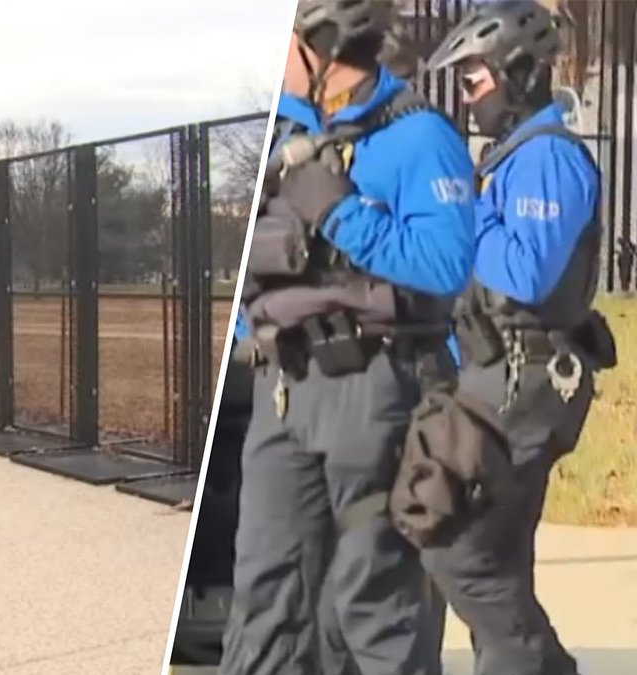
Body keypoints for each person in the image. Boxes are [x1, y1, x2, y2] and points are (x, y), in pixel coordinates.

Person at [223, 0, 476, 672]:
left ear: (323, 47)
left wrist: (337, 211)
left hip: (373, 390)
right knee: (265, 593)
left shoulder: (419, 137)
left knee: (372, 604)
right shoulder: (284, 137)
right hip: (284, 389)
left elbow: (446, 263)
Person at [425, 2, 614, 673]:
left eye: (474, 80)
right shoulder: (511, 158)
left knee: (462, 552)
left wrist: (460, 210)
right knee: (497, 562)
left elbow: (525, 272)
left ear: (520, 72)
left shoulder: (548, 160)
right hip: (494, 376)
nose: (468, 97)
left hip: (527, 383)